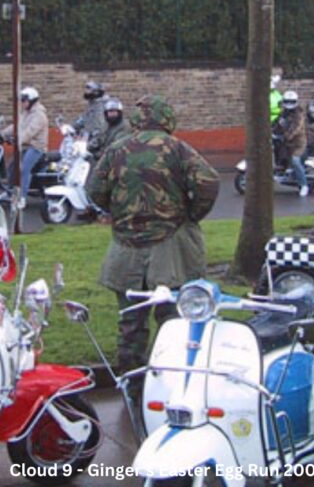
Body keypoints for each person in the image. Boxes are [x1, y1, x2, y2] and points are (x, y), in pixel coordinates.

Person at [88, 94, 220, 374]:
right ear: (167, 119)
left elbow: (94, 190)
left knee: (130, 320)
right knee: (172, 317)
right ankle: (172, 375)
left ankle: (131, 380)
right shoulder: (178, 149)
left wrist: (118, 212)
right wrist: (193, 214)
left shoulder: (117, 149)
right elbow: (208, 182)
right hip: (170, 247)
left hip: (126, 248)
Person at [0, 86, 48, 206]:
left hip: (37, 148)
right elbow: (16, 126)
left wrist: (17, 139)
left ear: (32, 100)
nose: (22, 103)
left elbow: (30, 131)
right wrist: (1, 135)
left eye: (24, 100)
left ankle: (22, 198)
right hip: (25, 146)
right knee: (11, 166)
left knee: (23, 169)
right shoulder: (26, 113)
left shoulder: (39, 115)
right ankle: (9, 192)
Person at [275, 90, 309, 197]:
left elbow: (296, 128)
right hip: (286, 143)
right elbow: (277, 124)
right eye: (287, 101)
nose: (289, 104)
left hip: (298, 144)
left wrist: (286, 135)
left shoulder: (299, 114)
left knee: (295, 161)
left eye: (291, 102)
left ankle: (304, 185)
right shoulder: (283, 113)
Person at [76, 80, 109, 156]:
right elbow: (83, 120)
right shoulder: (92, 104)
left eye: (89, 89)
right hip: (87, 140)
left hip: (97, 146)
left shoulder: (100, 107)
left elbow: (99, 129)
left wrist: (89, 146)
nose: (86, 92)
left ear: (96, 92)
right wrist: (72, 127)